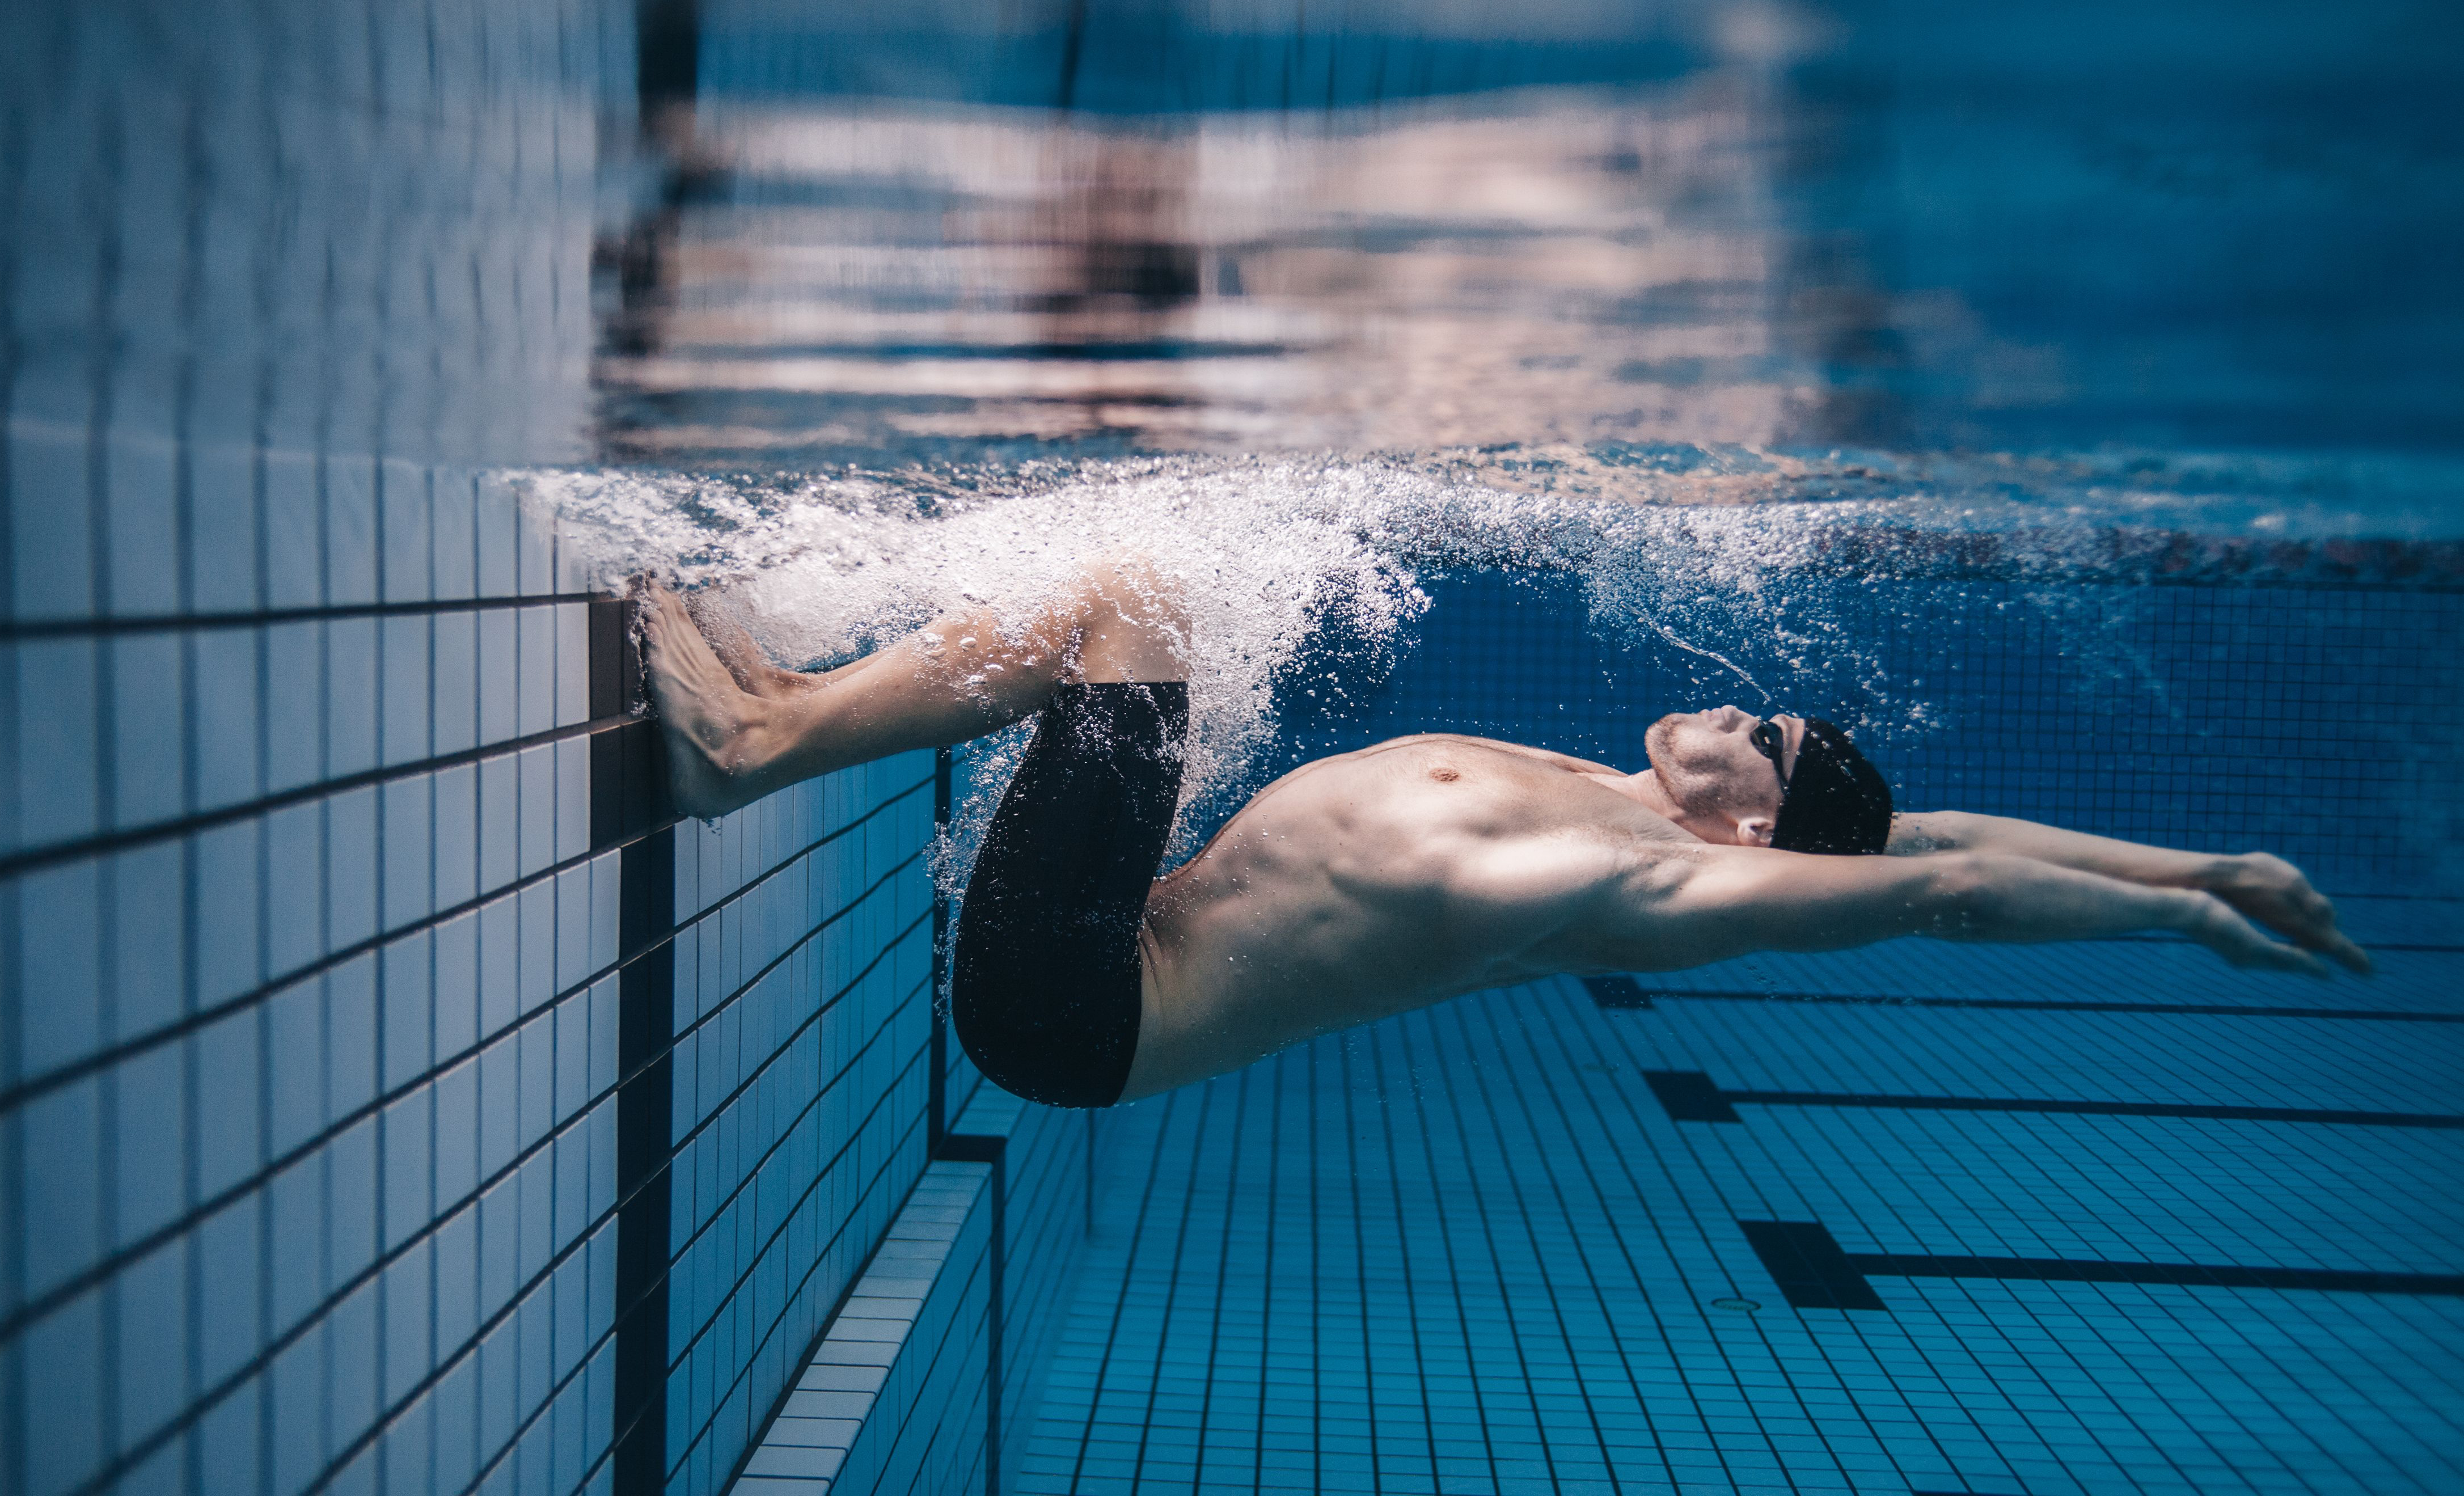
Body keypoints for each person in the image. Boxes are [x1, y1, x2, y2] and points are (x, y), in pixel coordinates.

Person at [637, 565, 2370, 1110]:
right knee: (1135, 603)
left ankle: (753, 742)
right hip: (1117, 939)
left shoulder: (1638, 871)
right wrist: (2201, 868)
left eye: (1762, 734)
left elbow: (1951, 888)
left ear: (1752, 821)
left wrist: (2178, 939)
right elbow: (1956, 826)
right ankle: (788, 698)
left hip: (1074, 1006)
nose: (1744, 702)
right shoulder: (1616, 787)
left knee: (1130, 607)